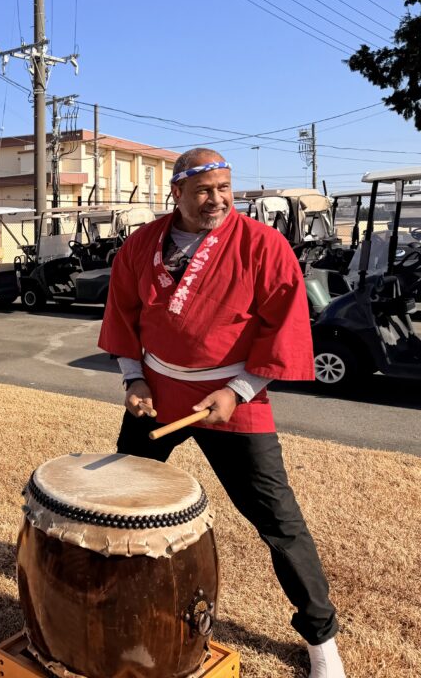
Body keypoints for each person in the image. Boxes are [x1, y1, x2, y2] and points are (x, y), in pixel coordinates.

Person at [98, 148, 345, 678]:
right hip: (158, 388)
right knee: (127, 500)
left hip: (234, 395)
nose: (217, 199)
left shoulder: (262, 244)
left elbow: (283, 325)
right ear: (177, 193)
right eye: (204, 190)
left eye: (224, 188)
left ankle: (320, 636)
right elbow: (122, 312)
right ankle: (120, 595)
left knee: (278, 518)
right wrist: (133, 378)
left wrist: (239, 390)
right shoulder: (142, 245)